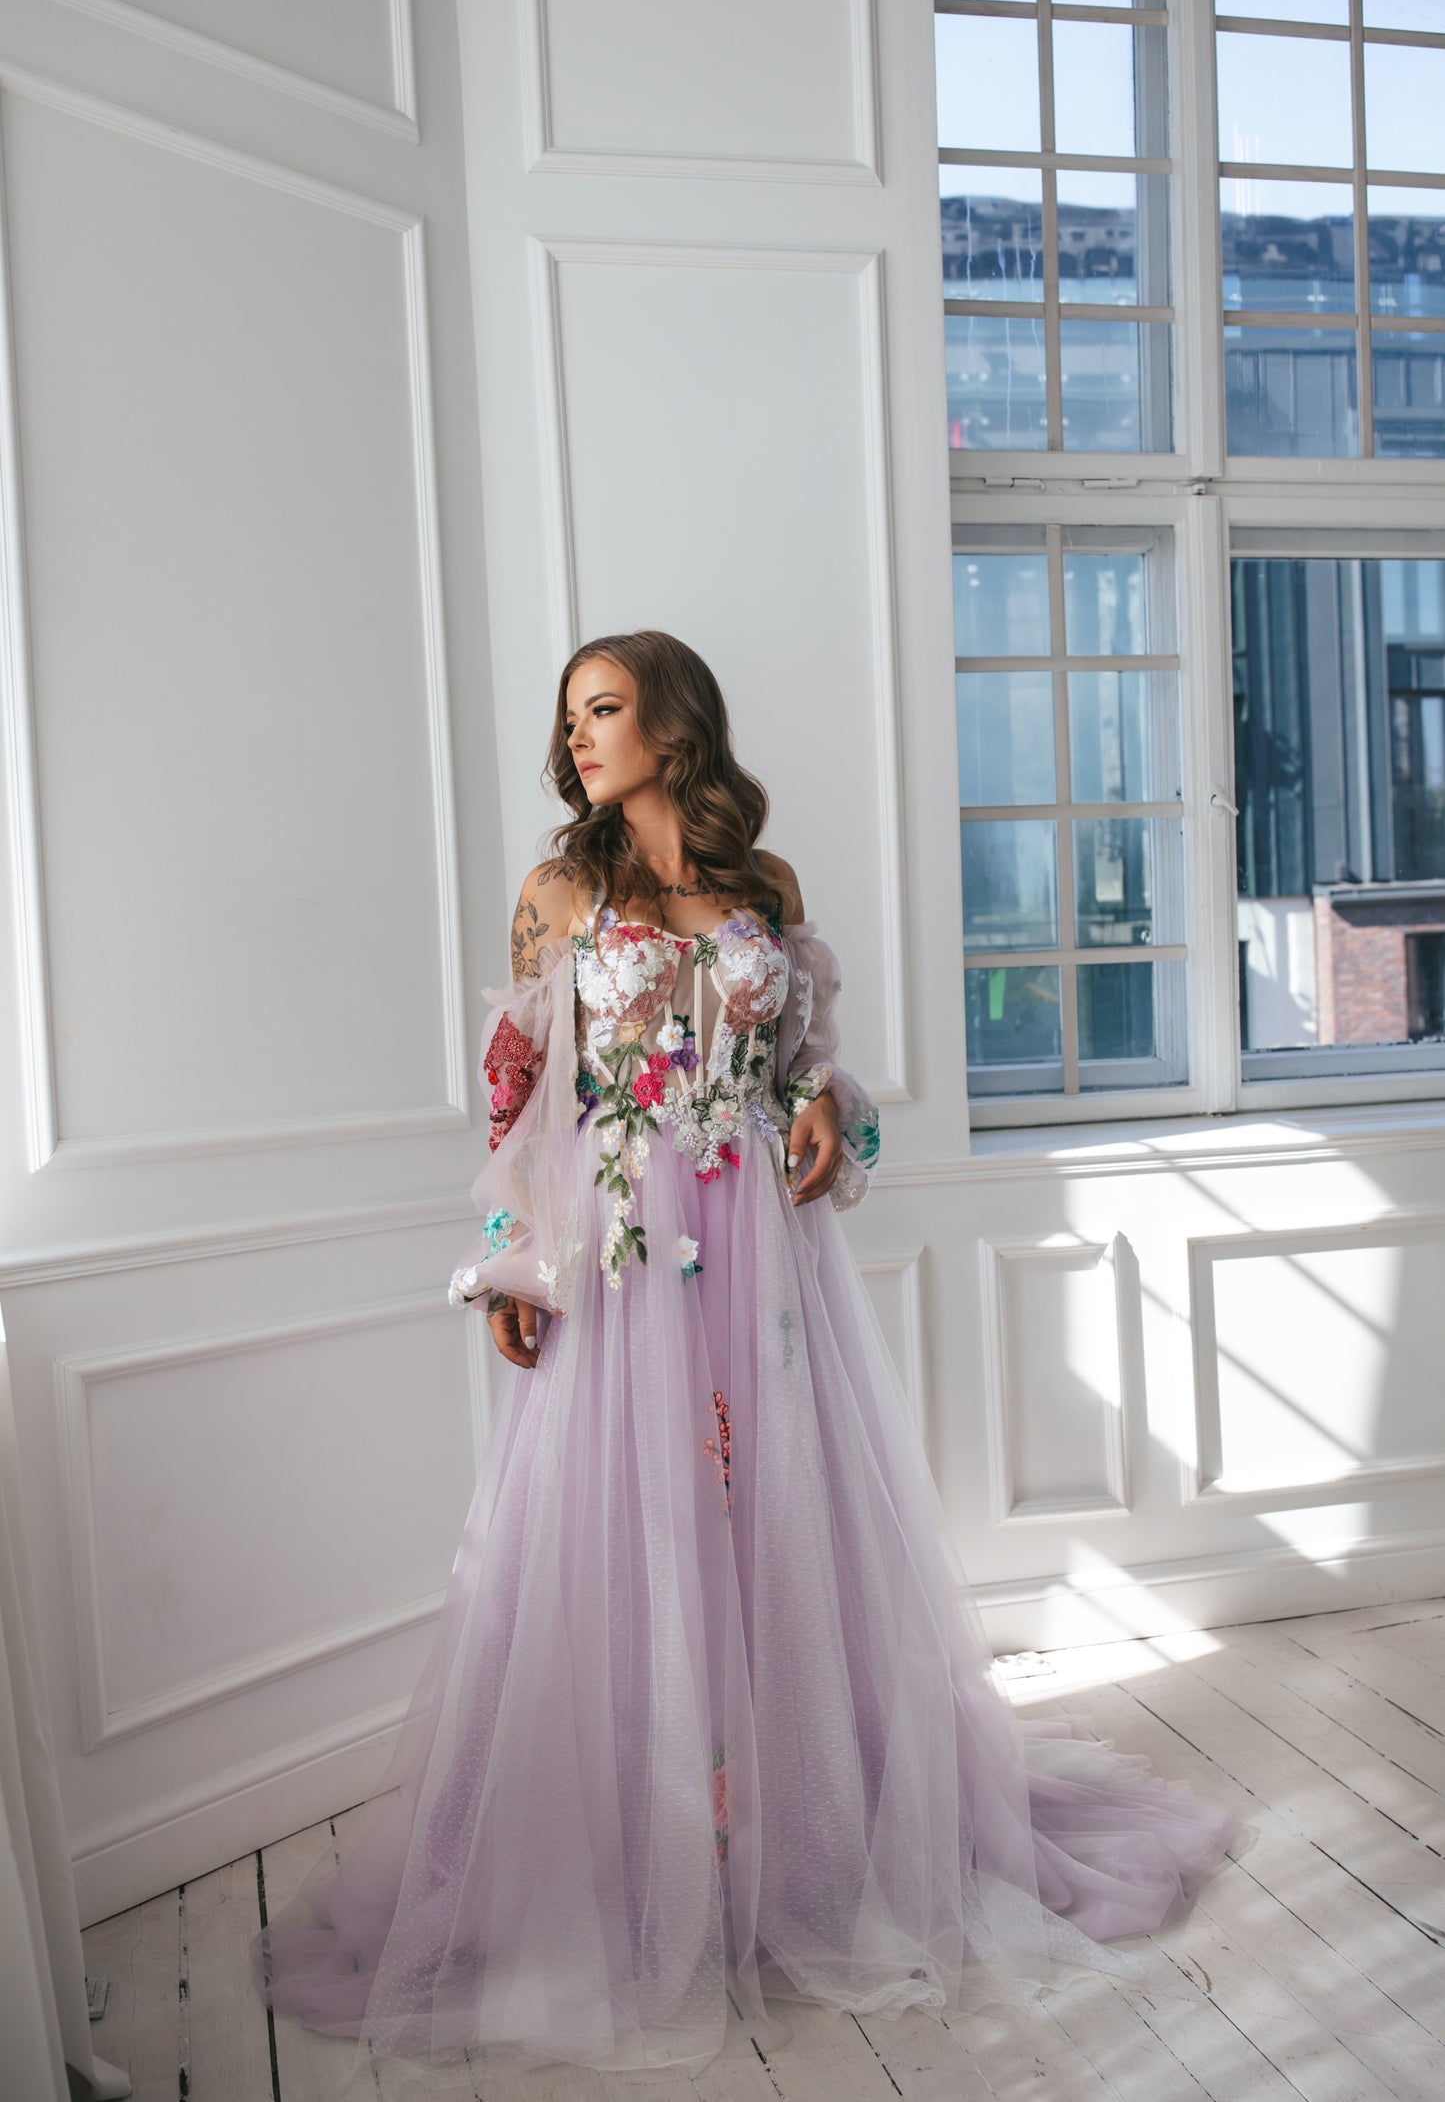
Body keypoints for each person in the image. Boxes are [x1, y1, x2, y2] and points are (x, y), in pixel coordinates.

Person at [251, 629, 1233, 2081]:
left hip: (764, 1255)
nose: (580, 738)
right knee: (626, 1535)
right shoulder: (559, 895)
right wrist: (515, 1264)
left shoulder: (762, 890)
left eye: (605, 709)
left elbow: (803, 1067)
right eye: (570, 715)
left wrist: (832, 1108)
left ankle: (796, 1837)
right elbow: (520, 1100)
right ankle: (644, 1851)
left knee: (773, 1519)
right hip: (625, 1248)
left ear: (674, 723)